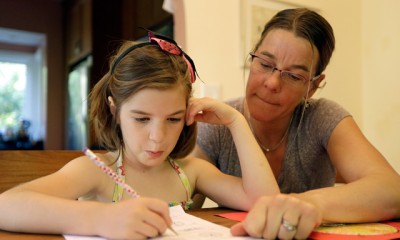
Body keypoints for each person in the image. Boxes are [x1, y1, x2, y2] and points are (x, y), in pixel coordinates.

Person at [0, 31, 279, 239]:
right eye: (141, 119)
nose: (158, 137)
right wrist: (102, 219)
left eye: (173, 119)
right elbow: (6, 206)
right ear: (114, 110)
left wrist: (236, 121)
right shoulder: (96, 171)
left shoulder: (191, 172)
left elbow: (265, 202)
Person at [192, 8, 400, 239]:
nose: (272, 83)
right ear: (251, 59)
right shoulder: (217, 124)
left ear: (312, 87)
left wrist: (304, 205)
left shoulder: (321, 117)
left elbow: (392, 189)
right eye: (265, 63)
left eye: (293, 76)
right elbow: (180, 196)